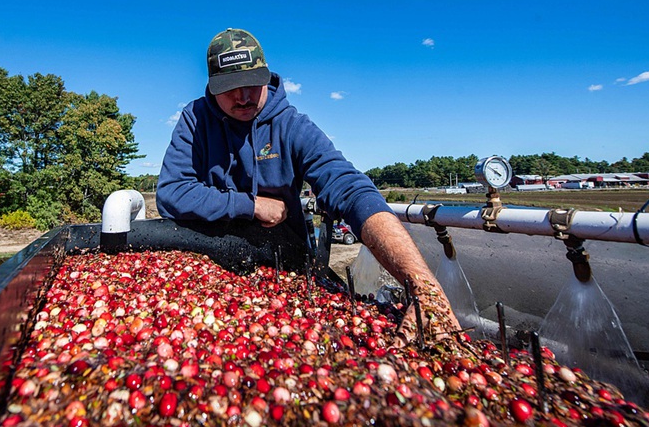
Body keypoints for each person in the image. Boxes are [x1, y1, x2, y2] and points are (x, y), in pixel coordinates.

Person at [157, 28, 460, 337]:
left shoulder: (291, 125)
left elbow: (350, 188)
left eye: (252, 84)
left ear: (266, 76)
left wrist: (422, 286)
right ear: (212, 86)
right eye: (231, 87)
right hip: (211, 259)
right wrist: (250, 205)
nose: (243, 96)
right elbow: (171, 193)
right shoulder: (195, 118)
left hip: (282, 262)